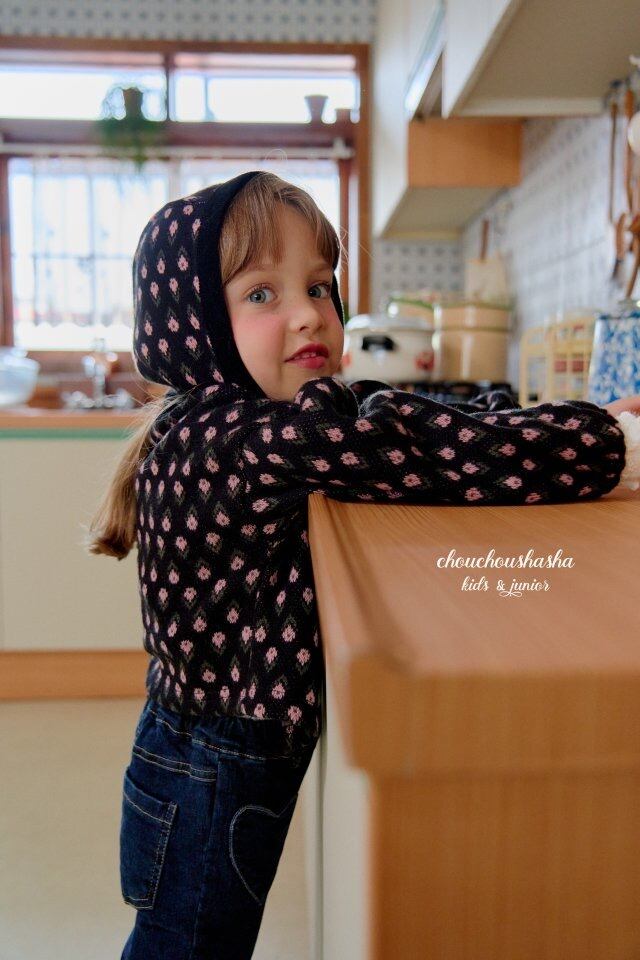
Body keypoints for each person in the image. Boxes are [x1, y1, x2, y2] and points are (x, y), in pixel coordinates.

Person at [86, 169, 640, 960]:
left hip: (196, 748)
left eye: (319, 285)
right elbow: (406, 442)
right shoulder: (244, 440)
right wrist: (608, 444)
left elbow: (392, 415)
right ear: (195, 325)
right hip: (214, 765)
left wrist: (554, 421)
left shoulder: (227, 422)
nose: (310, 312)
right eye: (262, 294)